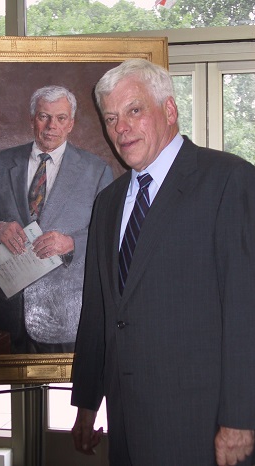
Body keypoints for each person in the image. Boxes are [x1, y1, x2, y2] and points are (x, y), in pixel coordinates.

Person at [71, 59, 255, 466]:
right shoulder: (108, 202)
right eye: (111, 117)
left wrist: (242, 417)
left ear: (169, 110)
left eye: (134, 110)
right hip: (125, 422)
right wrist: (86, 402)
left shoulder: (230, 180)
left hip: (202, 425)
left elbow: (247, 309)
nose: (121, 128)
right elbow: (99, 311)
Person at [0, 85, 113, 354]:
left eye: (60, 118)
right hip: (7, 307)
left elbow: (110, 234)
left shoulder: (97, 170)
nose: (51, 126)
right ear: (31, 119)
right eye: (43, 116)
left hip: (66, 312)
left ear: (71, 123)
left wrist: (72, 243)